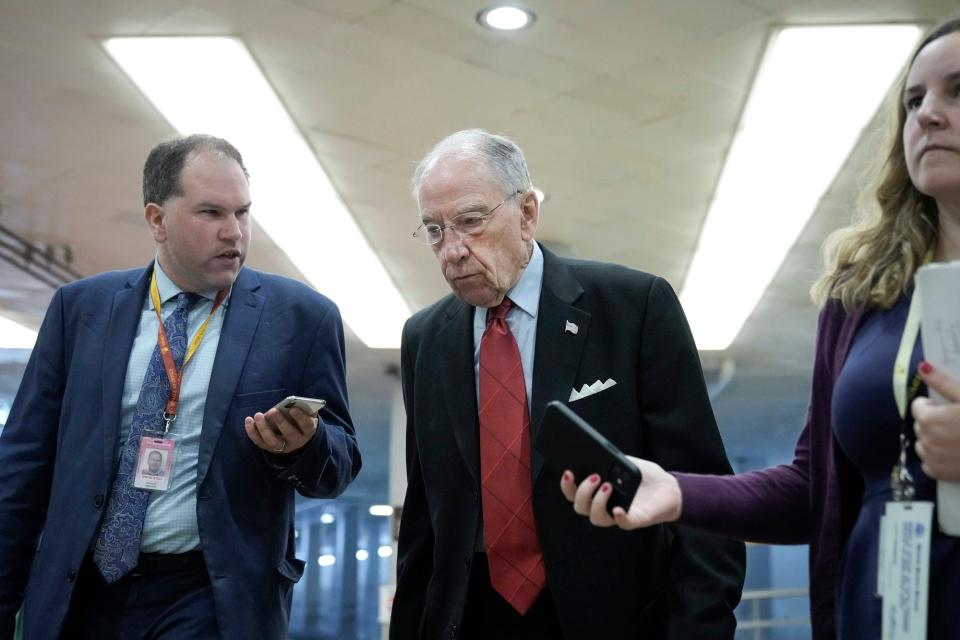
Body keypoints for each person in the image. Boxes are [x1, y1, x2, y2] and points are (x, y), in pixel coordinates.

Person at [561, 17, 960, 640]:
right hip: (881, 613)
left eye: (957, 91)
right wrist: (677, 494)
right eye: (914, 100)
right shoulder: (863, 292)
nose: (928, 115)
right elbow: (811, 489)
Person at [0, 134, 361, 639]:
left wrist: (304, 445)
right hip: (80, 590)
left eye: (243, 212)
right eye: (211, 213)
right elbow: (23, 467)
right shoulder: (81, 310)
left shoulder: (301, 318)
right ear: (157, 219)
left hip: (210, 596)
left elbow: (340, 465)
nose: (234, 232)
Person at [391, 129, 745, 639]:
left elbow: (701, 493)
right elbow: (427, 519)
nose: (452, 251)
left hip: (609, 618)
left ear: (527, 214)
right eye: (434, 230)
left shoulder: (632, 307)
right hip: (471, 619)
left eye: (470, 222)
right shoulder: (425, 338)